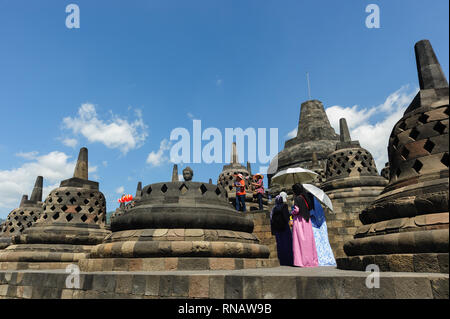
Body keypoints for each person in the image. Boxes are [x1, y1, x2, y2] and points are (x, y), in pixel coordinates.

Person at [291, 183, 318, 267]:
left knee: (300, 241)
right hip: (307, 220)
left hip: (299, 221)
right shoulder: (305, 197)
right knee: (308, 241)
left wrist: (291, 212)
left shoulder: (297, 198)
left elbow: (297, 210)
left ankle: (301, 261)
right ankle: (310, 260)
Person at [309, 195, 336, 266]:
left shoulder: (311, 210)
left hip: (314, 227)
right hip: (322, 226)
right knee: (324, 243)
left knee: (316, 243)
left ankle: (318, 259)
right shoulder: (319, 207)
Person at [270, 192, 293, 266]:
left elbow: (272, 219)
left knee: (280, 245)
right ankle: (289, 260)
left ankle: (282, 260)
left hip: (277, 229)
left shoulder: (274, 208)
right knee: (288, 244)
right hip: (284, 228)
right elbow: (285, 216)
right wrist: (290, 217)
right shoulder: (284, 206)